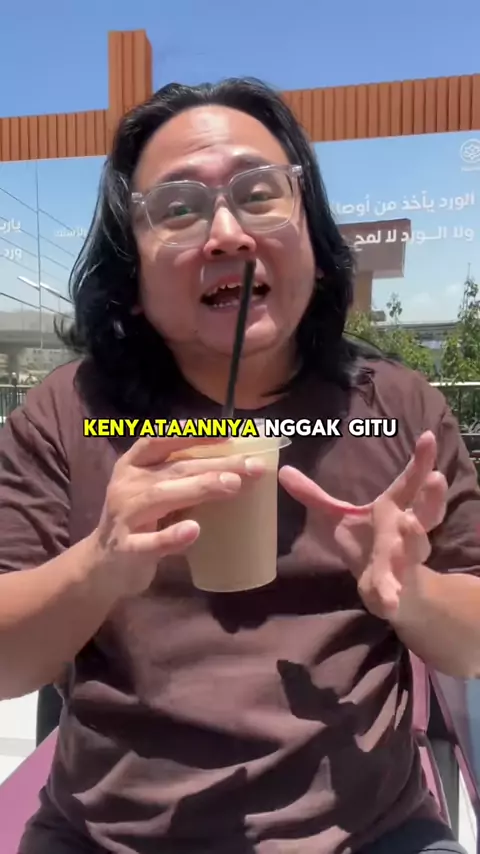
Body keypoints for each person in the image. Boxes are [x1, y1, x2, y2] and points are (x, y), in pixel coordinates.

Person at [0, 77, 479, 854]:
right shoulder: (68, 413)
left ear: (313, 241)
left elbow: (472, 644)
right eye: (178, 208)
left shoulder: (398, 408)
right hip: (109, 839)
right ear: (133, 274)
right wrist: (98, 566)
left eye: (259, 195)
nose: (226, 233)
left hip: (369, 834)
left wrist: (409, 592)